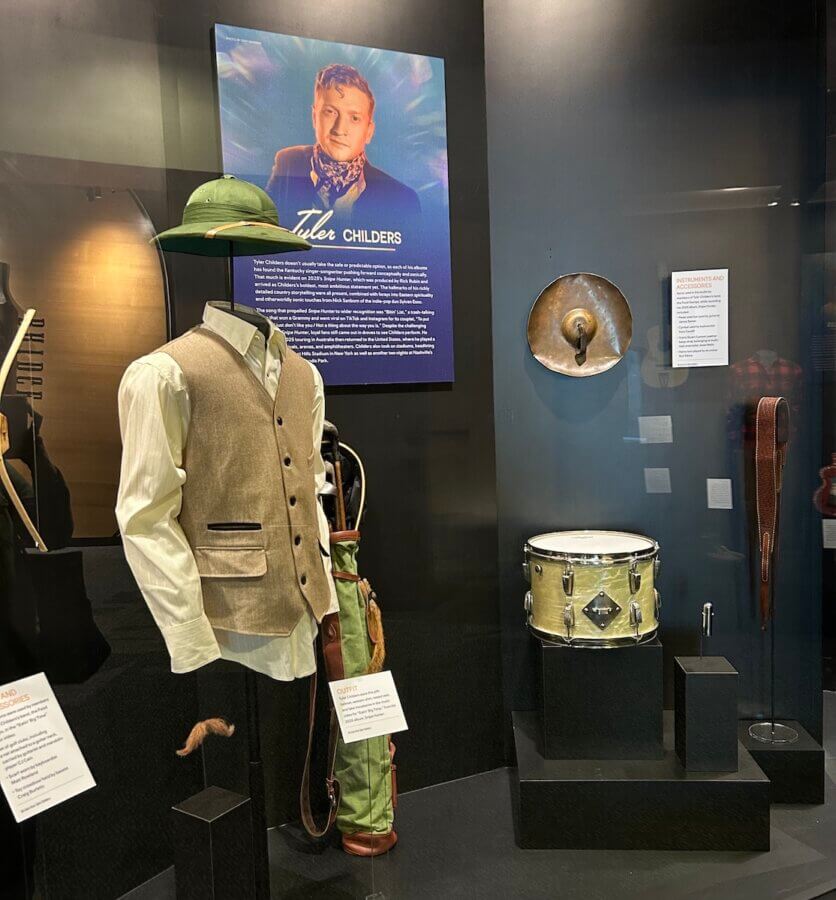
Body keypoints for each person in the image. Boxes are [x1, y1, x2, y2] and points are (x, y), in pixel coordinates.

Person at [267, 63, 420, 231]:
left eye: (354, 118)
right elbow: (264, 230)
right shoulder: (288, 162)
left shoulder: (402, 200)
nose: (339, 129)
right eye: (330, 112)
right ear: (314, 117)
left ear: (369, 132)